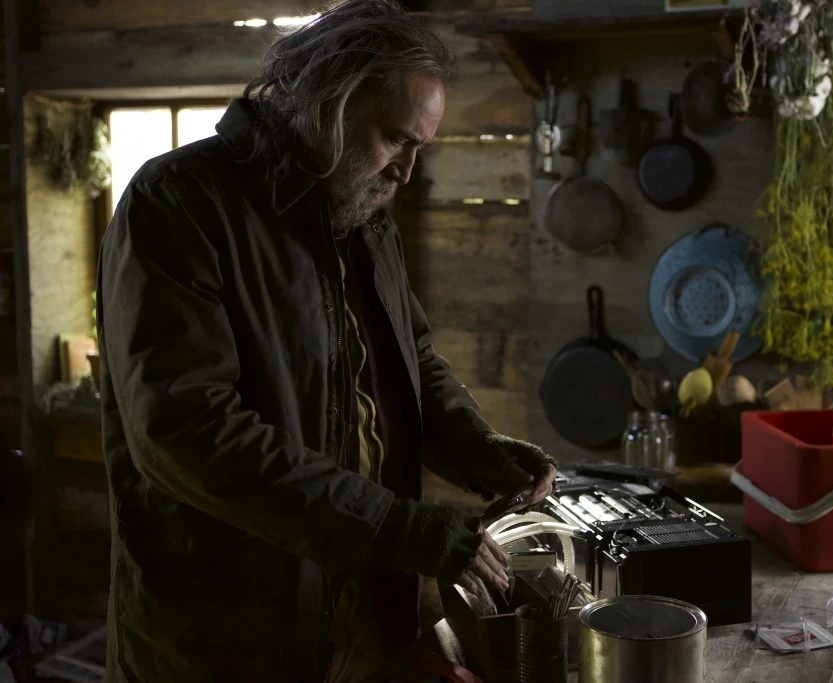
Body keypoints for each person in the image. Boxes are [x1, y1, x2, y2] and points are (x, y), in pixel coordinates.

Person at [96, 2, 556, 681]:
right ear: (326, 105)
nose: (406, 171)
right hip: (225, 637)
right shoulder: (179, 202)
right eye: (396, 139)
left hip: (362, 618)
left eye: (421, 147)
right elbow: (186, 430)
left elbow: (409, 359)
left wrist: (475, 446)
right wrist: (397, 528)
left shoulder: (362, 212)